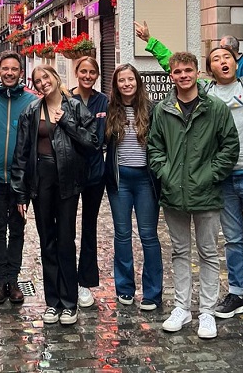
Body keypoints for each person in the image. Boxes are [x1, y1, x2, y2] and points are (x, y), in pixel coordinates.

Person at [137, 0, 243, 333]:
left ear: (235, 59)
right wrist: (152, 42)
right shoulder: (208, 93)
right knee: (231, 241)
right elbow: (177, 66)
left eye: (226, 56)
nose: (222, 61)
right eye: (215, 58)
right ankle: (236, 294)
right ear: (210, 68)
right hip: (223, 180)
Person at [147, 52, 239, 340]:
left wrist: (210, 174)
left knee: (208, 253)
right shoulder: (163, 110)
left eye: (188, 70)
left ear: (198, 72)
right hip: (174, 193)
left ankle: (208, 312)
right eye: (178, 72)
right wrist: (166, 174)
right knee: (179, 252)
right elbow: (155, 147)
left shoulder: (216, 108)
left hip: (206, 192)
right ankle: (182, 308)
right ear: (171, 76)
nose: (183, 75)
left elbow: (230, 147)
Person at [11, 65, 99, 326]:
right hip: (41, 181)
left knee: (65, 240)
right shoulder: (31, 110)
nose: (42, 84)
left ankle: (69, 302)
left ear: (55, 77)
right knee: (47, 240)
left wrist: (67, 123)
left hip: (68, 180)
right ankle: (53, 302)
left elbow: (94, 142)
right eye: (37, 81)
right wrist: (20, 194)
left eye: (45, 78)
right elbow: (21, 154)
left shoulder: (74, 107)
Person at [0, 51, 38, 305]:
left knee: (17, 229)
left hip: (20, 178)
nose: (10, 73)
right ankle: (0, 279)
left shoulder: (32, 101)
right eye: (5, 68)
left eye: (14, 69)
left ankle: (12, 280)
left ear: (21, 73)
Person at [104, 64, 162, 311]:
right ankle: (125, 289)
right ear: (116, 85)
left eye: (130, 79)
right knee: (122, 235)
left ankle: (153, 292)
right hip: (120, 181)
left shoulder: (151, 110)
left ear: (138, 82)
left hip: (145, 181)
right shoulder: (109, 110)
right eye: (121, 80)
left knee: (149, 236)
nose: (126, 84)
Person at [69, 56, 108, 309]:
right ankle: (68, 280)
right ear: (76, 72)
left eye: (92, 72)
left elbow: (102, 135)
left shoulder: (103, 100)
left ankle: (85, 283)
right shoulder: (65, 99)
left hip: (95, 173)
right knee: (66, 229)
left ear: (96, 75)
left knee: (89, 228)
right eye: (83, 71)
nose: (87, 75)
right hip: (70, 173)